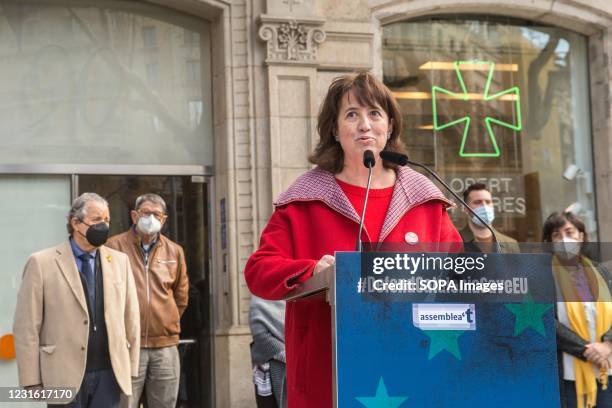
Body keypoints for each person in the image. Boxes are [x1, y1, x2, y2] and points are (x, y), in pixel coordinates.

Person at [244, 72, 461, 407]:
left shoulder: (426, 200)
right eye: (351, 114)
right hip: (327, 372)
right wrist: (313, 272)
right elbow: (259, 271)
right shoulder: (303, 202)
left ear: (389, 127)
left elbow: (458, 274)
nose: (365, 125)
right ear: (334, 129)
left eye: (375, 114)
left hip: (410, 366)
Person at [13, 192, 140, 407]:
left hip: (110, 375)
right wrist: (31, 380)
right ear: (75, 222)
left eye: (107, 220)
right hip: (62, 375)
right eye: (96, 220)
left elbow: (132, 318)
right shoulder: (41, 263)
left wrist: (132, 367)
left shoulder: (120, 262)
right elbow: (26, 327)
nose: (104, 226)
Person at [106, 193, 189, 408]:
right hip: (127, 346)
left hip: (165, 346)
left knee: (164, 404)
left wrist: (165, 320)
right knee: (124, 403)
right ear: (134, 216)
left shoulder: (175, 251)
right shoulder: (113, 247)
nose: (150, 218)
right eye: (145, 213)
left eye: (156, 214)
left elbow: (181, 295)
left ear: (164, 219)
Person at [542, 211, 612, 408]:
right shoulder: (543, 276)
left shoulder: (601, 271)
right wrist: (586, 349)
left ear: (581, 236)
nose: (564, 239)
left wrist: (607, 345)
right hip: (569, 374)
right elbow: (546, 321)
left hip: (607, 368)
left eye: (569, 232)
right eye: (556, 234)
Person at [459, 182, 520, 253]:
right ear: (466, 209)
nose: (484, 207)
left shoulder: (511, 244)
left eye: (488, 202)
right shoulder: (454, 241)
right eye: (477, 202)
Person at [249, 295, 287, 408]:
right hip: (269, 369)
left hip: (295, 366)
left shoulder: (295, 291)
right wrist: (287, 355)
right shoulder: (259, 297)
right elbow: (260, 335)